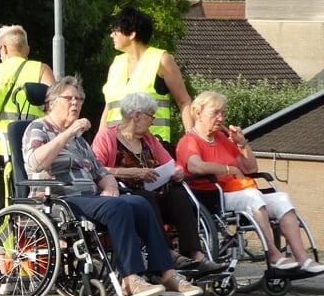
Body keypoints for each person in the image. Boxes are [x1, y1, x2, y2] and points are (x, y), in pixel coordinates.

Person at [22, 77, 202, 296]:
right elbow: (35, 163)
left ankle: (165, 273)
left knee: (139, 202)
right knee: (119, 208)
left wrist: (110, 187)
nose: (75, 103)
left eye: (79, 99)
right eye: (69, 98)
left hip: (90, 198)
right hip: (59, 199)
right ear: (51, 103)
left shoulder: (79, 141)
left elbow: (101, 172)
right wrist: (66, 134)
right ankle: (129, 279)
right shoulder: (38, 128)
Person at [176, 91, 324, 275]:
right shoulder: (189, 141)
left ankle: (302, 258)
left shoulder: (222, 139)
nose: (221, 117)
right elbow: (196, 166)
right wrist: (229, 170)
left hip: (237, 191)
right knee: (254, 196)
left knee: (281, 198)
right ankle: (273, 254)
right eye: (215, 113)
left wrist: (242, 144)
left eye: (223, 113)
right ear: (198, 112)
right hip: (211, 195)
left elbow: (249, 168)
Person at [91, 92, 226, 275]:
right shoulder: (107, 137)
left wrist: (177, 171)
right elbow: (96, 169)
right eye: (151, 116)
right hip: (124, 197)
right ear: (136, 115)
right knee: (145, 198)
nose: (153, 121)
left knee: (178, 193)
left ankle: (196, 255)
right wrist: (133, 173)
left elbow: (169, 162)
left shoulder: (149, 139)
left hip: (153, 194)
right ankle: (167, 254)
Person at [0, 24, 55, 213]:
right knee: (29, 203)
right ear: (27, 48)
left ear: (3, 48)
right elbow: (54, 106)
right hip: (28, 147)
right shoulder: (40, 69)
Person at [100, 5, 193, 145]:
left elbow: (184, 101)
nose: (112, 35)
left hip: (153, 146)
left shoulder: (161, 59)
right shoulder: (116, 65)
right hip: (116, 146)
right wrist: (100, 142)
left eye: (116, 31)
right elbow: (109, 108)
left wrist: (191, 140)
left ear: (132, 34)